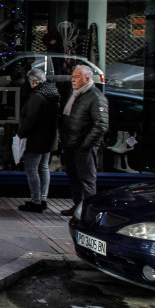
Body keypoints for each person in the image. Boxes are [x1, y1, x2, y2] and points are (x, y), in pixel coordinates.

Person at [58, 65, 108, 216]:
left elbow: (101, 124)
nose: (73, 80)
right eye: (73, 76)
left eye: (77, 77)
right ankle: (78, 206)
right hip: (71, 144)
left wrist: (86, 145)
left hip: (83, 146)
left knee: (87, 180)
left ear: (87, 78)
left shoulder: (95, 97)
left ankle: (87, 211)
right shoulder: (76, 94)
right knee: (74, 177)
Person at [15, 68, 60, 213]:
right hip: (49, 137)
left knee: (32, 168)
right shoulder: (53, 93)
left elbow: (30, 119)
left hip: (36, 138)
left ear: (33, 81)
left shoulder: (37, 96)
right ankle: (42, 198)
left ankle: (36, 201)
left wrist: (21, 134)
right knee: (44, 167)